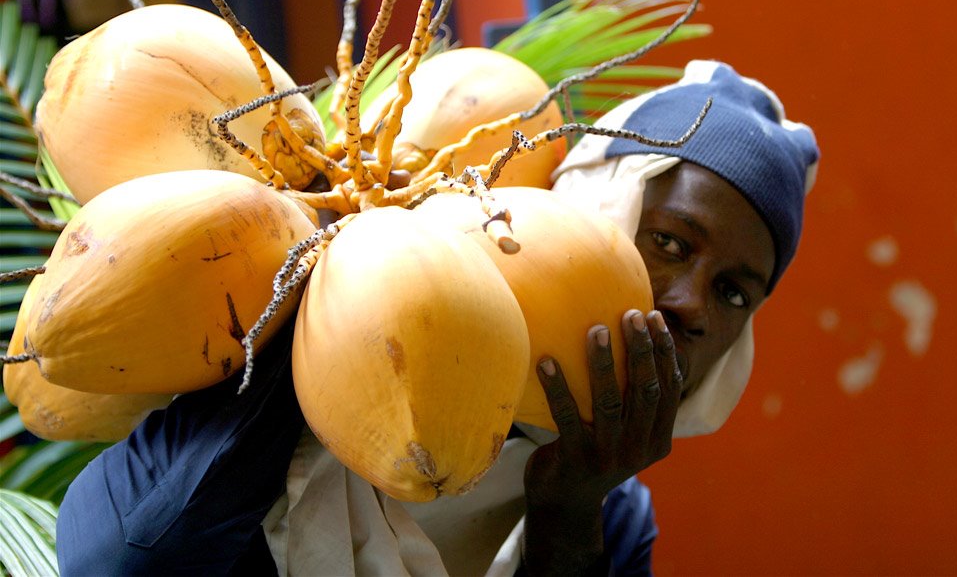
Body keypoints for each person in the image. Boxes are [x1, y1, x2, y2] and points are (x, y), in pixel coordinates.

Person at [56, 59, 819, 576]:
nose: (688, 302)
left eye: (733, 292)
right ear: (589, 208)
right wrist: (352, 276)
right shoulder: (300, 325)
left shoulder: (609, 521)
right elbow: (118, 560)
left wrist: (568, 515)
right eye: (669, 242)